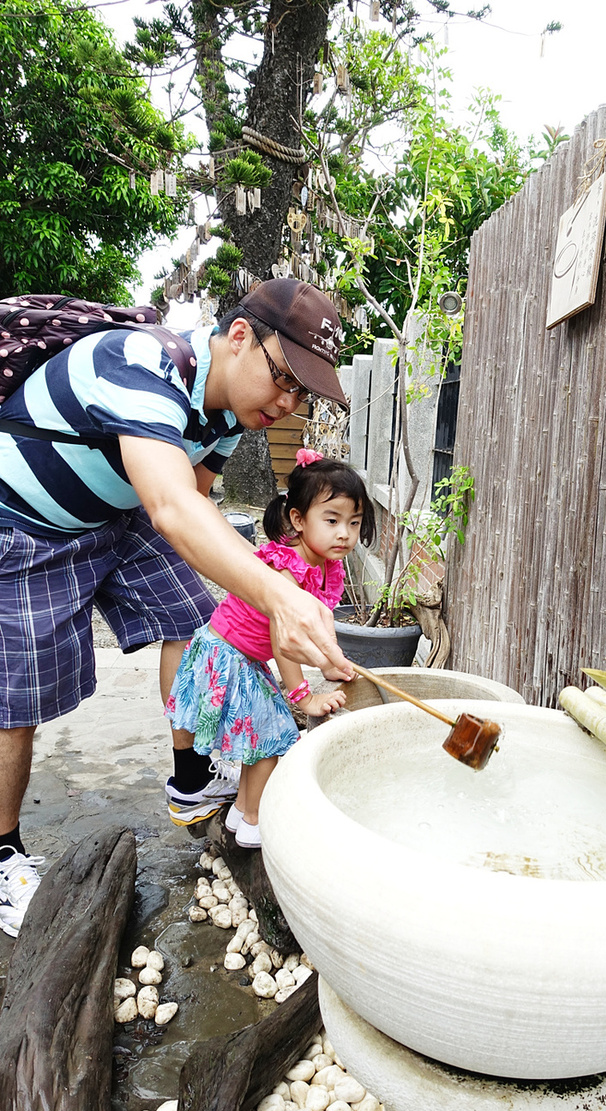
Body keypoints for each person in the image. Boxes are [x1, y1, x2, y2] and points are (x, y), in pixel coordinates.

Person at [0, 278, 354, 936]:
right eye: (283, 378)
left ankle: (192, 775)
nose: (287, 401)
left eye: (301, 392)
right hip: (26, 524)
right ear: (240, 337)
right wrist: (281, 595)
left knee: (197, 622)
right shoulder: (143, 363)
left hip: (117, 515)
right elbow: (171, 506)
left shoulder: (225, 417)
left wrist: (269, 597)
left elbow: (189, 505)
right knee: (18, 699)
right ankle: (1, 852)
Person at [165, 452, 375, 848]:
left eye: (354, 522)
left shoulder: (326, 564)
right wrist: (303, 696)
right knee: (272, 739)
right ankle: (255, 823)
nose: (344, 533)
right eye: (331, 520)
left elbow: (313, 627)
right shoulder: (289, 566)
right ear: (298, 520)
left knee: (256, 739)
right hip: (229, 656)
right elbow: (284, 644)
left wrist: (332, 663)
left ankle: (241, 810)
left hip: (240, 655)